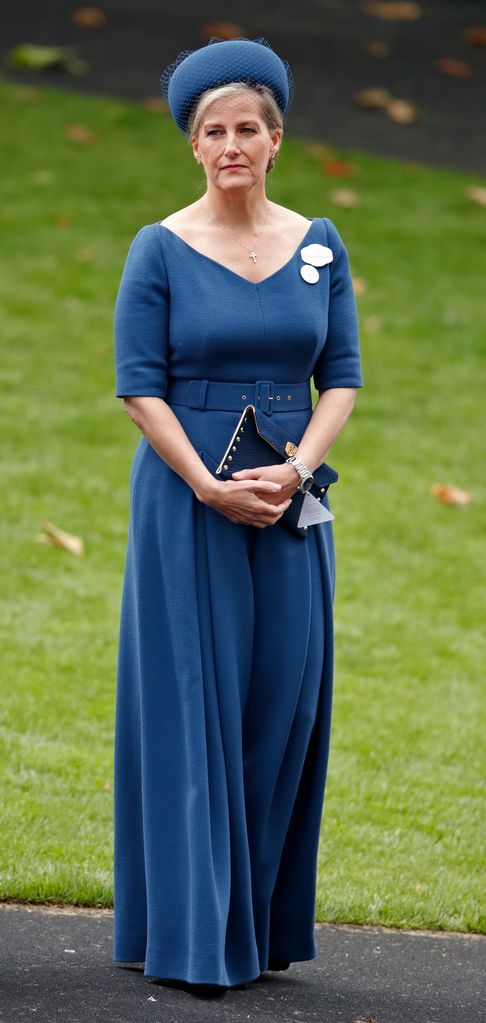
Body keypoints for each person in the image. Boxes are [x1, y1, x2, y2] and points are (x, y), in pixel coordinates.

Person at [113, 36, 363, 995]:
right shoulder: (161, 247)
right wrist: (211, 487)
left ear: (276, 138)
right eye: (212, 130)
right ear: (193, 145)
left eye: (247, 128)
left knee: (282, 699)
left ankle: (254, 928)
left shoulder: (319, 245)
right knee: (191, 700)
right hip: (189, 503)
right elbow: (140, 389)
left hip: (292, 501)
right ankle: (186, 933)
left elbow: (340, 376)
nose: (230, 144)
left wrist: (298, 469)